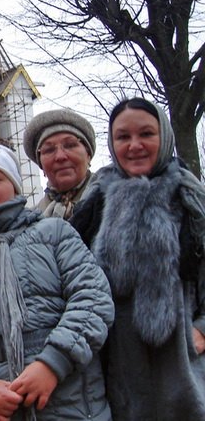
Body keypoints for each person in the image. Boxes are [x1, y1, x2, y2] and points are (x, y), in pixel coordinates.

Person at [0, 144, 113, 421]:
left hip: (73, 402)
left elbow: (93, 298)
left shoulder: (55, 233)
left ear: (15, 187)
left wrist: (53, 363)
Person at [70, 97, 205, 420]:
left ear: (164, 137)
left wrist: (202, 330)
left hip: (182, 361)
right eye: (123, 137)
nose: (134, 146)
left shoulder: (192, 198)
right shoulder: (94, 202)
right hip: (115, 363)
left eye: (146, 134)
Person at [23, 109, 97, 219]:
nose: (60, 156)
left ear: (88, 154)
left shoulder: (117, 201)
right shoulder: (31, 220)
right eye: (49, 150)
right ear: (41, 165)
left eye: (70, 145)